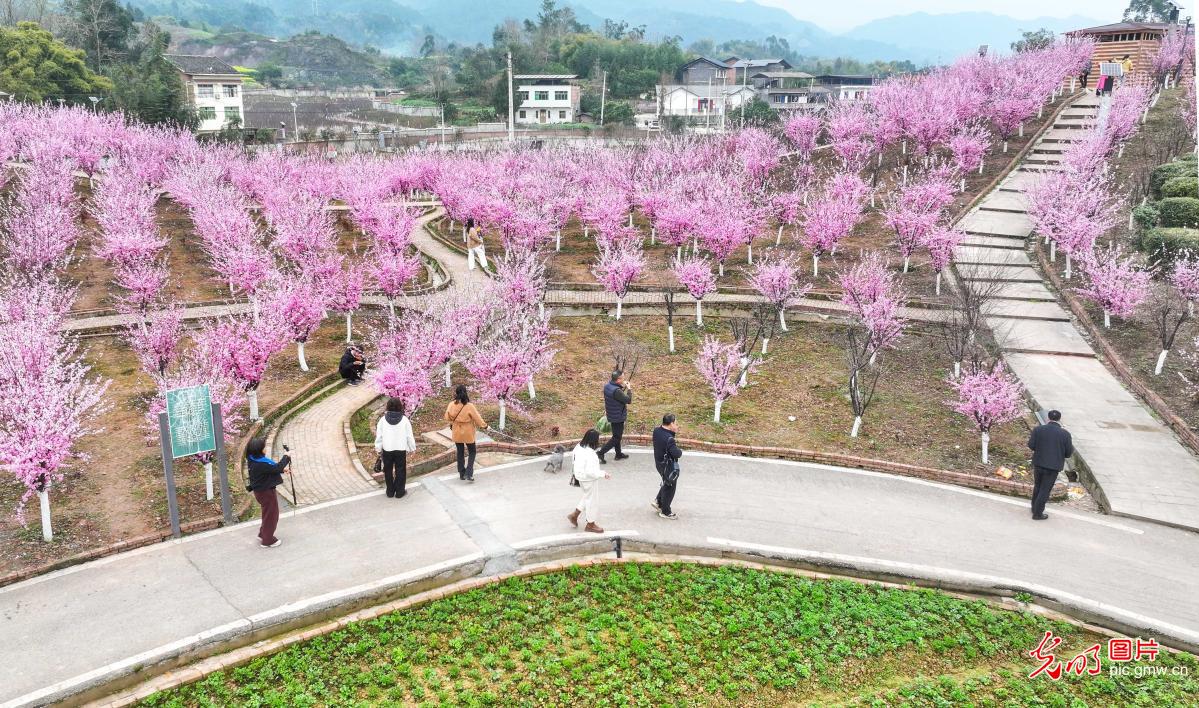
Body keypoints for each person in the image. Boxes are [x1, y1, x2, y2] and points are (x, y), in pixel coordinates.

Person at [1027, 410, 1074, 520]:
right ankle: (1038, 514)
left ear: (1048, 419)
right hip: (1053, 467)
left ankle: (1034, 508)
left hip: (1039, 463)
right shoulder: (1065, 434)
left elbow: (1031, 445)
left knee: (1038, 486)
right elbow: (1068, 453)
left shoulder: (1038, 430)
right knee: (1045, 489)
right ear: (1059, 420)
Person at [246, 437, 291, 548]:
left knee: (267, 514)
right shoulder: (261, 464)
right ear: (260, 450)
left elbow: (271, 468)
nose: (265, 449)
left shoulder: (252, 459)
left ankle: (263, 534)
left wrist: (281, 469)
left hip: (260, 492)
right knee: (272, 515)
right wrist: (287, 456)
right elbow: (276, 467)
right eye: (264, 447)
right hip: (266, 493)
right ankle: (268, 540)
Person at [567, 429, 610, 533]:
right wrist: (604, 474)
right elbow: (591, 472)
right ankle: (590, 524)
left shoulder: (579, 446)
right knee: (592, 501)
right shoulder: (590, 454)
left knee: (587, 495)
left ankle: (574, 515)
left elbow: (574, 459)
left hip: (580, 477)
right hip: (588, 479)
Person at [375, 397, 417, 498]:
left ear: (388, 406)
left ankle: (390, 492)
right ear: (400, 406)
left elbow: (379, 436)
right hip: (400, 449)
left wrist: (378, 448)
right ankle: (399, 492)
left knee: (388, 470)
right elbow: (409, 436)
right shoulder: (405, 420)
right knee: (401, 470)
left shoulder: (382, 420)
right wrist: (412, 448)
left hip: (387, 449)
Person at [445, 384, 488, 482]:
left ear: (456, 393)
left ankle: (461, 473)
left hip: (456, 431)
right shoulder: (469, 406)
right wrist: (485, 426)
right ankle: (469, 473)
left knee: (460, 452)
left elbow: (447, 417)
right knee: (472, 451)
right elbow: (477, 418)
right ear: (466, 393)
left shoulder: (451, 404)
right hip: (468, 431)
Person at [651, 413, 683, 520]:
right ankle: (665, 511)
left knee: (666, 481)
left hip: (659, 463)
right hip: (667, 466)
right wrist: (679, 451)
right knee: (670, 486)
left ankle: (658, 501)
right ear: (671, 423)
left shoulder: (656, 431)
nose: (677, 426)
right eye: (676, 423)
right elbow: (676, 453)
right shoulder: (669, 438)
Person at [597, 371, 633, 464]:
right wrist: (629, 389)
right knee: (616, 437)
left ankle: (618, 454)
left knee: (616, 435)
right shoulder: (616, 391)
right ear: (618, 380)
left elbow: (612, 399)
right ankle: (601, 452)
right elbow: (628, 400)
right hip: (618, 417)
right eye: (623, 378)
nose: (624, 379)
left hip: (612, 414)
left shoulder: (607, 386)